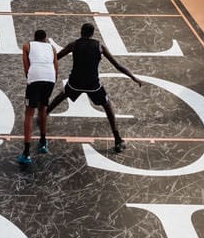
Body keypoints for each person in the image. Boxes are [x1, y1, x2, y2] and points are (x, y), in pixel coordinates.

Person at [48, 22, 142, 153]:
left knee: (62, 95)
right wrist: (133, 77)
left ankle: (44, 114)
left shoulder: (74, 45)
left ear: (81, 32)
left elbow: (55, 58)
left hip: (76, 82)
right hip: (93, 84)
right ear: (92, 34)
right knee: (108, 107)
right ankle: (117, 139)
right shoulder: (99, 46)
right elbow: (118, 65)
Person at [19, 29, 58, 165]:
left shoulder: (27, 46)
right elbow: (56, 67)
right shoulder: (52, 48)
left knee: (29, 113)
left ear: (34, 38)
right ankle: (42, 142)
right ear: (45, 39)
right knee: (43, 109)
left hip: (35, 77)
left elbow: (26, 67)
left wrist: (31, 80)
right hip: (50, 78)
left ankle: (26, 152)